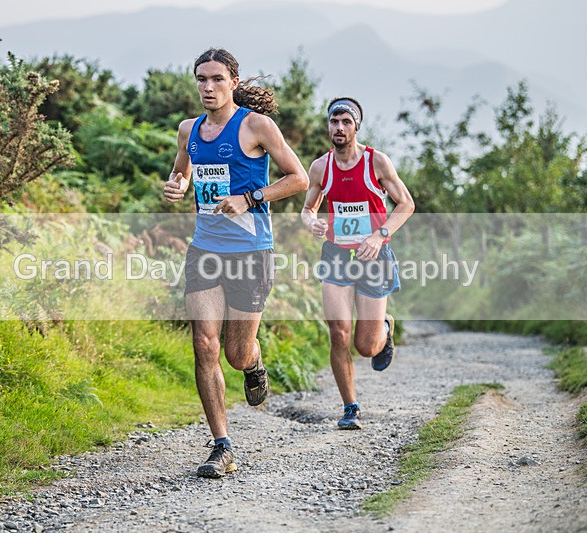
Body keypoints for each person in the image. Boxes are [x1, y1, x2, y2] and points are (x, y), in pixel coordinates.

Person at [163, 48, 309, 477]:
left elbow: (298, 178)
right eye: (201, 79)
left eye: (216, 79)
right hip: (204, 250)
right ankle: (222, 445)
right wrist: (177, 185)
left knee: (236, 351)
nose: (208, 87)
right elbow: (182, 171)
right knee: (204, 345)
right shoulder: (188, 129)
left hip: (250, 252)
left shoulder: (255, 125)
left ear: (233, 82)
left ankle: (254, 362)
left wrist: (250, 197)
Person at [300, 97, 414, 430]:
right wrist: (313, 224)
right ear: (328, 125)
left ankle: (384, 328)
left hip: (373, 256)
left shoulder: (376, 162)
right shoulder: (321, 167)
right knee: (338, 332)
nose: (339, 128)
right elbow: (308, 210)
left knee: (366, 346)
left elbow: (406, 204)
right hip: (337, 254)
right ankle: (350, 406)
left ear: (356, 126)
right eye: (334, 122)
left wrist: (379, 235)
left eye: (346, 122)